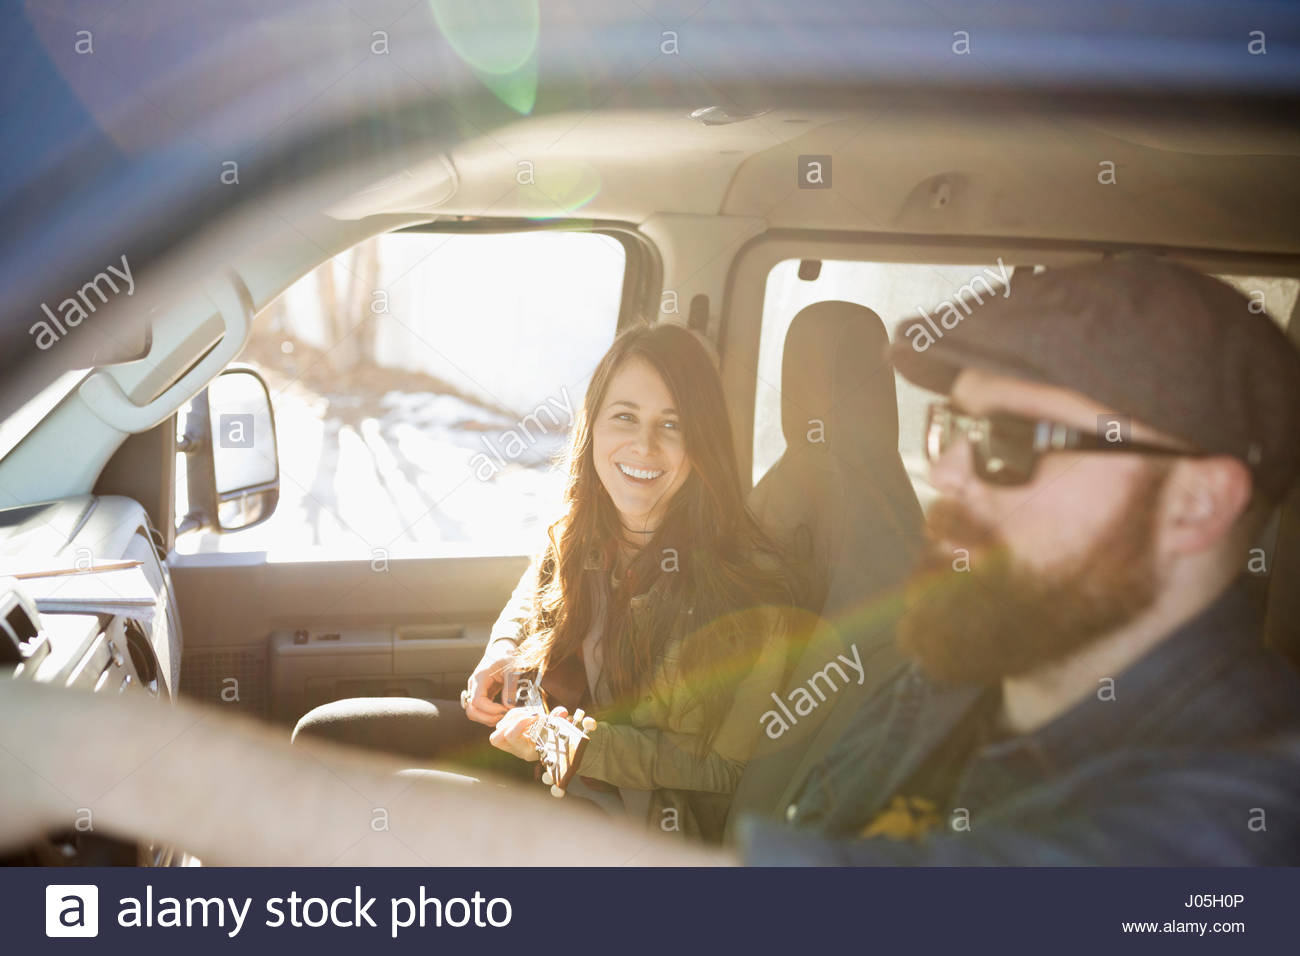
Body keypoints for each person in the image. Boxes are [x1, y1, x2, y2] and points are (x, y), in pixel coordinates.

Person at [739, 255, 1300, 865]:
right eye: (951, 428)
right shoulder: (944, 676)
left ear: (1196, 504)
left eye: (1011, 441)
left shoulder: (1253, 801)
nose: (948, 473)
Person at [295, 322, 802, 843]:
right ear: (594, 426)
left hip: (629, 820)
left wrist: (567, 745)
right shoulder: (587, 524)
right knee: (323, 740)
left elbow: (725, 772)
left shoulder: (747, 587)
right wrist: (504, 647)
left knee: (377, 809)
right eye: (625, 417)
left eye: (671, 425)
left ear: (702, 441)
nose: (644, 445)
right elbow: (535, 584)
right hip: (545, 760)